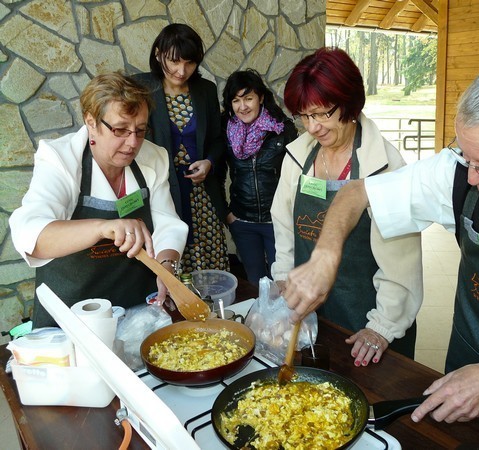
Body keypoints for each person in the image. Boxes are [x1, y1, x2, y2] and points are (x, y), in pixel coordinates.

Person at [282, 53, 479, 442]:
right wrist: (326, 255)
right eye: (467, 154)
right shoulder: (457, 171)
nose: (471, 175)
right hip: (464, 372)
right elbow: (356, 192)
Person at [270, 47, 423, 365]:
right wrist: (284, 278)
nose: (313, 127)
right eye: (305, 115)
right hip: (312, 310)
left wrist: (382, 327)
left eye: (323, 113)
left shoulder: (385, 165)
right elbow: (284, 225)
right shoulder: (299, 156)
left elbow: (402, 261)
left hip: (365, 317)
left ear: (350, 104)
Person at [9, 72, 188, 327]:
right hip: (72, 317)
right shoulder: (61, 159)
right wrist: (103, 227)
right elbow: (31, 235)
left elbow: (167, 223)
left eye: (140, 130)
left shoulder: (153, 157)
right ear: (91, 121)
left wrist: (167, 266)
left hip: (137, 311)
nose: (132, 143)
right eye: (120, 130)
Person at [133, 23, 229, 273]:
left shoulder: (205, 90)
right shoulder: (141, 88)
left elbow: (218, 139)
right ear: (158, 54)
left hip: (202, 194)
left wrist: (209, 162)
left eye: (189, 63)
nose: (181, 70)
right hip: (162, 191)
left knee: (209, 260)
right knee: (169, 254)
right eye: (174, 61)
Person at [220, 69, 298, 285]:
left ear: (261, 98)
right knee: (256, 283)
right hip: (243, 221)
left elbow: (297, 175)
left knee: (282, 284)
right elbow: (216, 174)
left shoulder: (282, 129)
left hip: (278, 221)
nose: (242, 106)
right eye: (236, 100)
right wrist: (227, 214)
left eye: (248, 98)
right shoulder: (225, 131)